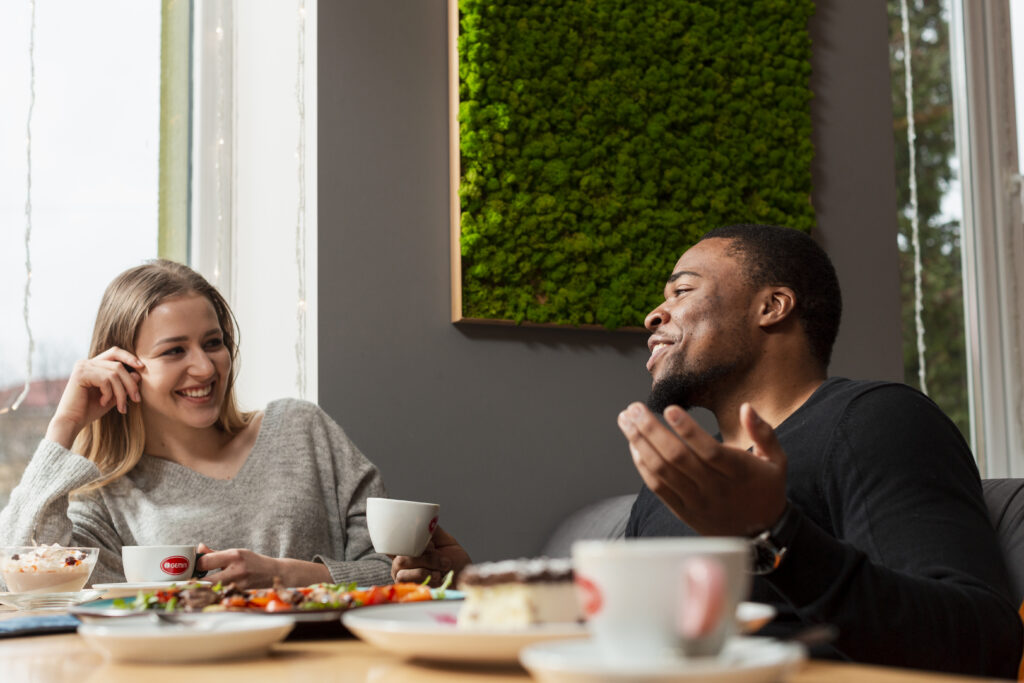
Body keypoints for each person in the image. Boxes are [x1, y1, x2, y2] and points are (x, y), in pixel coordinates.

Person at [394, 224, 1022, 678]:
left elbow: (983, 642)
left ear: (772, 307)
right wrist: (472, 589)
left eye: (682, 291)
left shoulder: (873, 420)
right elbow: (620, 633)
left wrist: (772, 534)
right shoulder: (685, 481)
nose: (653, 314)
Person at [0, 260, 391, 589]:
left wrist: (289, 576)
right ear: (123, 368)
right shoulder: (106, 498)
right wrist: (64, 425)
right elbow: (19, 582)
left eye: (213, 343)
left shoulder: (302, 430)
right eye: (174, 350)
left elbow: (400, 573)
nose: (205, 368)